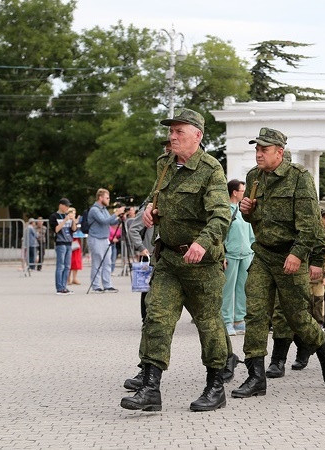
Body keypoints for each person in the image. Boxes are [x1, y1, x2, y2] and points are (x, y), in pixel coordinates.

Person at [121, 108, 231, 412]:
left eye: (179, 131)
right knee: (156, 318)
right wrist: (150, 211)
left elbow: (222, 214)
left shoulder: (211, 169)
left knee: (209, 324)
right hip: (168, 258)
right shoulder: (165, 164)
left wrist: (203, 242)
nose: (172, 137)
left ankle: (215, 387)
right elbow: (159, 199)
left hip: (202, 264)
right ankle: (150, 389)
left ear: (197, 135)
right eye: (171, 131)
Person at [232, 126, 325, 400]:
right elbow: (253, 220)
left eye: (264, 150)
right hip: (264, 255)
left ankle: (324, 350)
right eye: (256, 149)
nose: (258, 154)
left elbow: (310, 226)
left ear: (279, 152)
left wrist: (299, 254)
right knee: (255, 313)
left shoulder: (299, 178)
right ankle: (256, 376)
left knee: (297, 317)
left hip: (291, 255)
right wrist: (248, 212)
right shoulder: (254, 177)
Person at [222, 179, 255, 336]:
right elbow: (220, 235)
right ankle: (226, 321)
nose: (245, 193)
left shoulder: (245, 211)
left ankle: (239, 320)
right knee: (227, 290)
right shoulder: (225, 210)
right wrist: (221, 255)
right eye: (243, 191)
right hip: (231, 255)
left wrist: (253, 253)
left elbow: (251, 235)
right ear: (235, 192)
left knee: (243, 289)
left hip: (246, 255)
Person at [87, 189, 124, 293]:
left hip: (105, 239)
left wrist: (119, 217)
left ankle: (107, 285)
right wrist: (116, 213)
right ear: (100, 198)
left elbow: (111, 221)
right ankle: (96, 286)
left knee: (107, 262)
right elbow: (103, 221)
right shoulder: (95, 210)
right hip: (95, 238)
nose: (109, 200)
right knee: (97, 263)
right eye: (107, 198)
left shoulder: (104, 209)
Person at [49, 198, 77, 295]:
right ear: (61, 205)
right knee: (60, 266)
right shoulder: (54, 216)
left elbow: (73, 229)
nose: (67, 208)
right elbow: (56, 229)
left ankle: (64, 286)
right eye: (66, 205)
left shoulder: (68, 215)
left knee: (67, 266)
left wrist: (73, 221)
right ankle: (59, 288)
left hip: (69, 243)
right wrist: (65, 220)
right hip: (60, 243)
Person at [68, 208, 83, 285]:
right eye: (72, 212)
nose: (73, 214)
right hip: (69, 241)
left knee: (76, 260)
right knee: (69, 260)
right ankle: (68, 278)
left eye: (74, 212)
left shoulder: (77, 221)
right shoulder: (67, 220)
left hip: (76, 242)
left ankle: (74, 278)